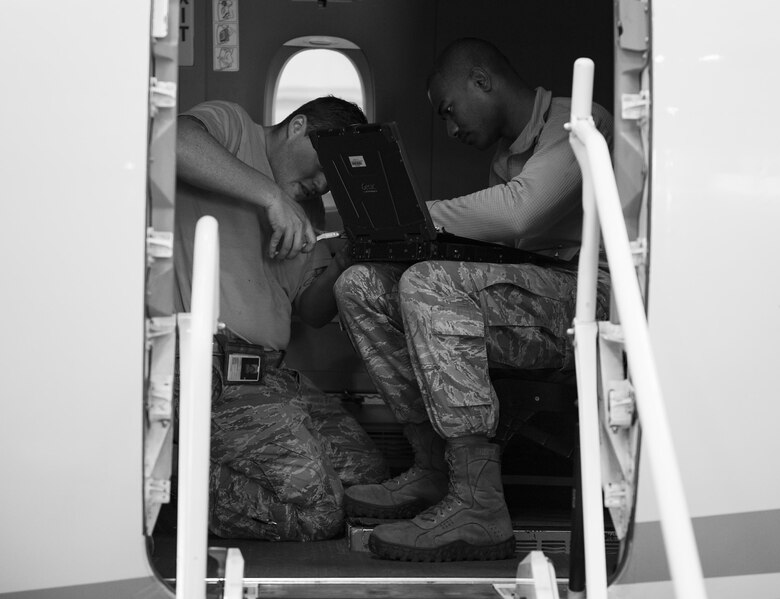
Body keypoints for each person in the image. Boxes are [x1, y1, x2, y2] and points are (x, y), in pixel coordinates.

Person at [333, 38, 613, 561]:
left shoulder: (578, 120)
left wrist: (422, 216)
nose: (451, 129)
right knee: (362, 286)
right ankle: (435, 468)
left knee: (430, 284)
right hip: (533, 293)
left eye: (448, 110)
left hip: (586, 300)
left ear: (482, 81)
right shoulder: (507, 156)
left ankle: (478, 505)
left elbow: (519, 213)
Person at [173, 96, 388, 541]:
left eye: (334, 176)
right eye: (321, 164)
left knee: (371, 480)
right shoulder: (234, 129)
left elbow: (310, 310)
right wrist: (271, 195)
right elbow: (170, 141)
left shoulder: (303, 211)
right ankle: (179, 486)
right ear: (297, 126)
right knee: (322, 513)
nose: (323, 183)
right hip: (208, 368)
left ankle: (207, 466)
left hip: (267, 374)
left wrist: (348, 257)